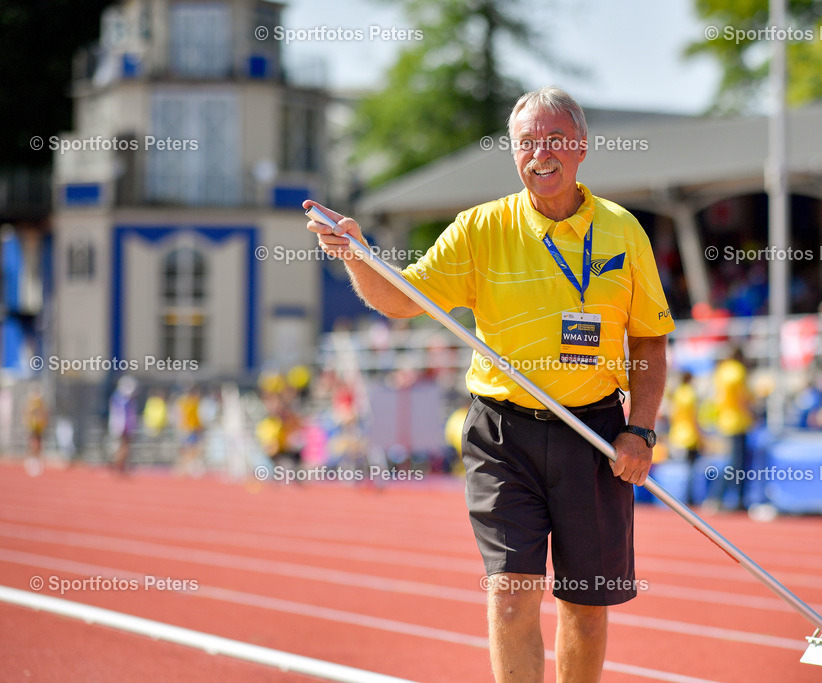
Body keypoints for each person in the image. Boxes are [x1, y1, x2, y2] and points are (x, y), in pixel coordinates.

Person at [306, 86, 673, 682]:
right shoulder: (479, 228)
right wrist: (357, 254)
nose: (541, 153)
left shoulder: (623, 230)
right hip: (504, 436)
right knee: (510, 591)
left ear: (580, 147)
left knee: (585, 603)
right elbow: (402, 299)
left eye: (555, 139)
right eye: (527, 142)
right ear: (513, 153)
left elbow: (650, 342)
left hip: (596, 431)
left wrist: (641, 431)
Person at [706, 347, 754, 511]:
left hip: (724, 420)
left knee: (733, 463)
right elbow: (743, 398)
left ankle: (731, 499)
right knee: (736, 464)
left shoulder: (721, 371)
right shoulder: (738, 371)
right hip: (739, 421)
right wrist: (752, 415)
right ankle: (720, 497)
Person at [667, 372, 702, 506]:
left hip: (677, 433)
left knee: (682, 470)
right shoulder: (690, 394)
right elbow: (694, 418)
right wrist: (701, 437)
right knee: (691, 470)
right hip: (690, 435)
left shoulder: (677, 393)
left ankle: (680, 498)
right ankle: (689, 499)